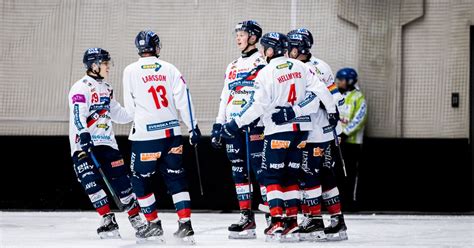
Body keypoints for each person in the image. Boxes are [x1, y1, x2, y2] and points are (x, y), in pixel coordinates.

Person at [221, 32, 335, 242]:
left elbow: (258, 106)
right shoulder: (301, 67)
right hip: (301, 132)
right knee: (291, 176)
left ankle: (276, 222)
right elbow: (320, 89)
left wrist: (234, 124)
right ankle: (291, 223)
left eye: (264, 49)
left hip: (277, 132)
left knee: (272, 176)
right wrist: (332, 110)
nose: (263, 53)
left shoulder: (267, 71)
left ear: (270, 50)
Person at [122, 30, 201, 244]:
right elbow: (184, 97)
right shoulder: (170, 69)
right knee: (176, 178)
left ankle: (153, 224)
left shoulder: (129, 71)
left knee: (140, 180)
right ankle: (186, 225)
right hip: (172, 135)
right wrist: (193, 127)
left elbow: (129, 109)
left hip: (146, 137)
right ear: (156, 47)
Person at [271, 29, 348, 241]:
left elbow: (313, 102)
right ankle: (337, 221)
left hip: (311, 133)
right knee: (326, 175)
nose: (287, 51)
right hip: (327, 133)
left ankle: (313, 221)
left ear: (296, 49)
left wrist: (291, 112)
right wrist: (333, 116)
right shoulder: (322, 65)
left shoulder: (301, 68)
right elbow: (338, 99)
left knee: (307, 175)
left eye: (289, 48)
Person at [68, 47, 144, 239]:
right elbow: (78, 114)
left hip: (108, 144)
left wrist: (139, 110)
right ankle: (107, 219)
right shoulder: (80, 87)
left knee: (123, 184)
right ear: (94, 65)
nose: (108, 67)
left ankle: (136, 218)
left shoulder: (107, 89)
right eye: (105, 63)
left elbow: (118, 113)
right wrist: (83, 134)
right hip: (84, 146)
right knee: (90, 183)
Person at [211, 20, 268, 239]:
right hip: (232, 127)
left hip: (255, 125)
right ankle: (247, 217)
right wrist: (218, 123)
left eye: (242, 34)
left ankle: (272, 215)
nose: (238, 38)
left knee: (261, 171)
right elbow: (226, 95)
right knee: (239, 172)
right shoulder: (232, 65)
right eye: (237, 34)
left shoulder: (262, 62)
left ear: (253, 37)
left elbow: (263, 96)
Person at [336, 67, 367, 210]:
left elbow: (360, 118)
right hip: (337, 141)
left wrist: (346, 132)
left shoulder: (358, 97)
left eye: (341, 80)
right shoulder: (337, 95)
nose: (339, 83)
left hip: (352, 142)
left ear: (349, 81)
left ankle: (350, 201)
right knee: (337, 173)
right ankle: (337, 201)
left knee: (350, 172)